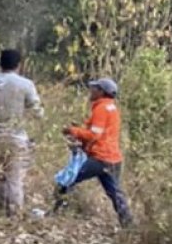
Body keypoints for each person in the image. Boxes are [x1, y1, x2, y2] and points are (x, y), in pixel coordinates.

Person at [0, 49, 45, 217]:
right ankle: (14, 213)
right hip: (16, 138)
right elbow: (38, 113)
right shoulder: (25, 84)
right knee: (15, 178)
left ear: (0, 63)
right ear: (19, 64)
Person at [56, 77, 134, 227]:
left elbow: (94, 135)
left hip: (100, 158)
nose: (91, 91)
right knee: (116, 194)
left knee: (66, 179)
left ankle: (56, 214)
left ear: (101, 92)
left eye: (94, 88)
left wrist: (73, 131)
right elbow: (99, 134)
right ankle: (129, 226)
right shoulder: (111, 108)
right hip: (113, 158)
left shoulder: (101, 109)